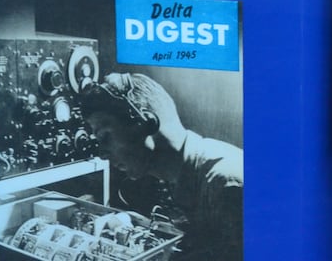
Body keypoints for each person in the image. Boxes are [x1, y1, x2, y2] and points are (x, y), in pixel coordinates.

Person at [78, 71, 242, 261]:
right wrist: (132, 222)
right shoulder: (181, 171)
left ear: (146, 123)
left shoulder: (227, 185)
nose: (102, 154)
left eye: (106, 137)